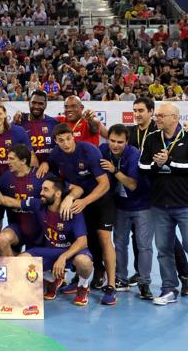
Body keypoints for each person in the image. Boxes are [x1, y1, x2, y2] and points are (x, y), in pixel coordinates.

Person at [47, 123, 117, 305]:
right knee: (82, 239)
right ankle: (79, 280)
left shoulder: (89, 151)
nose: (66, 143)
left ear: (73, 136)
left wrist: (84, 201)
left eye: (68, 139)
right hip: (80, 202)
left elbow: (104, 184)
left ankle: (111, 287)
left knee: (103, 237)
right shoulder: (56, 155)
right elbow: (56, 181)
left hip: (101, 199)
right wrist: (70, 194)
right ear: (55, 141)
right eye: (61, 140)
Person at [2, 176, 94, 306]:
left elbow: (83, 241)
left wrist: (63, 257)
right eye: (41, 189)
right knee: (22, 260)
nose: (41, 193)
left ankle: (83, 286)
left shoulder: (73, 210)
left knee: (84, 262)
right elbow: (10, 202)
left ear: (57, 194)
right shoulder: (38, 204)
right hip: (50, 250)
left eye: (45, 190)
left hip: (71, 253)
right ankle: (53, 278)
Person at [128, 97, 188, 292]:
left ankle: (184, 276)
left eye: (162, 115)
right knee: (162, 248)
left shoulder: (184, 137)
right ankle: (166, 287)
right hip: (157, 201)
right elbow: (143, 166)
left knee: (182, 244)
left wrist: (168, 162)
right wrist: (157, 165)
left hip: (182, 201)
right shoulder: (149, 136)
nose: (158, 118)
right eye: (158, 115)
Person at [99, 124, 153, 299]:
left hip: (141, 205)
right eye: (112, 141)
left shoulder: (134, 154)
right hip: (120, 205)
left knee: (144, 246)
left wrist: (114, 170)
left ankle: (144, 283)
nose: (115, 145)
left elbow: (132, 184)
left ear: (127, 142)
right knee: (120, 243)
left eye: (120, 142)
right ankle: (120, 279)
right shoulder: (103, 150)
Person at [0, 101, 36, 235]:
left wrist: (32, 178)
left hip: (15, 183)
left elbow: (31, 156)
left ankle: (17, 251)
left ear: (5, 114)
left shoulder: (18, 131)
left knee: (18, 221)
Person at [14, 90, 60, 164]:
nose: (36, 106)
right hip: (26, 171)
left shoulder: (54, 123)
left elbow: (59, 148)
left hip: (49, 170)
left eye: (40, 103)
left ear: (45, 105)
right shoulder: (19, 121)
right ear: (29, 103)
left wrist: (47, 164)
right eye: (33, 103)